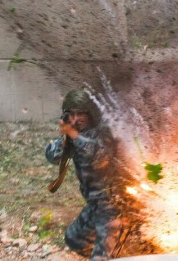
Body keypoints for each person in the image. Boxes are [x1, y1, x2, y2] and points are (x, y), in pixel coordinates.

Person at [45, 89, 124, 260]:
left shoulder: (104, 132)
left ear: (90, 114)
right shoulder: (73, 136)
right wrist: (64, 139)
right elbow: (52, 157)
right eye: (71, 114)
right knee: (74, 240)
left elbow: (99, 156)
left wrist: (74, 136)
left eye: (81, 114)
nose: (76, 119)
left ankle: (119, 245)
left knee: (101, 257)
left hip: (113, 207)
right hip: (94, 205)